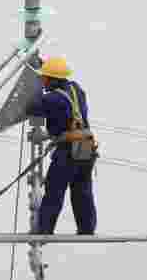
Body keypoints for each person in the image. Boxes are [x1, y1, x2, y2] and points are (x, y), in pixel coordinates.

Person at [25, 56, 97, 235]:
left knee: (54, 189)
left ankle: (44, 229)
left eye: (44, 78)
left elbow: (31, 107)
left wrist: (33, 88)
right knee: (82, 190)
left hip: (68, 151)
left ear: (51, 79)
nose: (42, 81)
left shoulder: (53, 99)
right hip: (86, 147)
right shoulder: (76, 89)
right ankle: (87, 229)